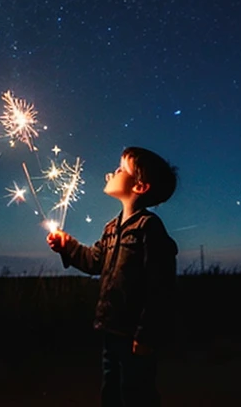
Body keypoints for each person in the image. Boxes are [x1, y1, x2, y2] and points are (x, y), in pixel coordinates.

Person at [47, 146, 178, 407]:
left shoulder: (149, 228)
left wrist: (146, 335)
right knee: (111, 392)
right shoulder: (111, 228)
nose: (112, 171)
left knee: (137, 393)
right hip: (111, 328)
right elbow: (94, 261)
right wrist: (68, 246)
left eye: (121, 169)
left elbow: (160, 286)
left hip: (134, 335)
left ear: (140, 186)